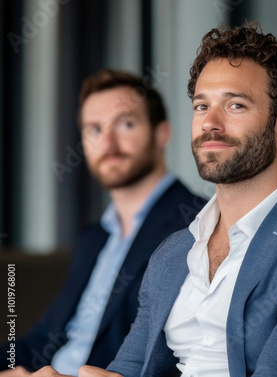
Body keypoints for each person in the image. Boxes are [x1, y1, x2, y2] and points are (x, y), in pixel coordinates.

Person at [32, 23, 277, 377]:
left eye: (235, 105)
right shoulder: (173, 252)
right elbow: (125, 370)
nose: (210, 123)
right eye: (201, 106)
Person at [0, 69, 206, 376]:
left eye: (125, 124)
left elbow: (177, 355)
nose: (108, 141)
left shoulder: (197, 222)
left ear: (161, 132)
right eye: (94, 129)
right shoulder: (93, 238)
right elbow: (41, 338)